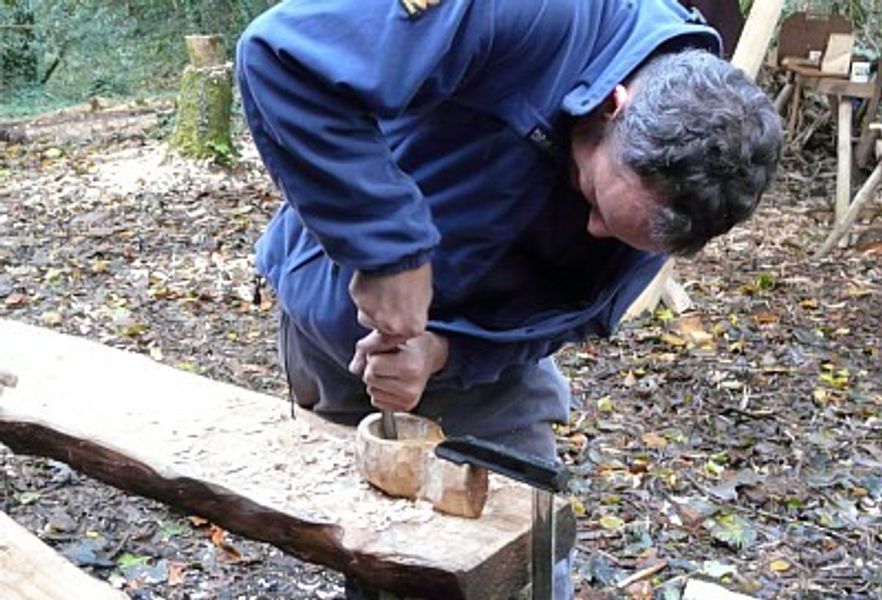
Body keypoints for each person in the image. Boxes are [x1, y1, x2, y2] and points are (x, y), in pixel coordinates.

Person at [236, 1, 782, 597]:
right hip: (339, 333)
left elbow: (577, 311)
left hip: (494, 368)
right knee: (386, 549)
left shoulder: (694, 176)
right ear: (612, 104)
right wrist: (387, 249)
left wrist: (449, 351)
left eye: (618, 230)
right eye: (597, 201)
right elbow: (284, 57)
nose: (594, 230)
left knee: (524, 555)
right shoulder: (530, 12)